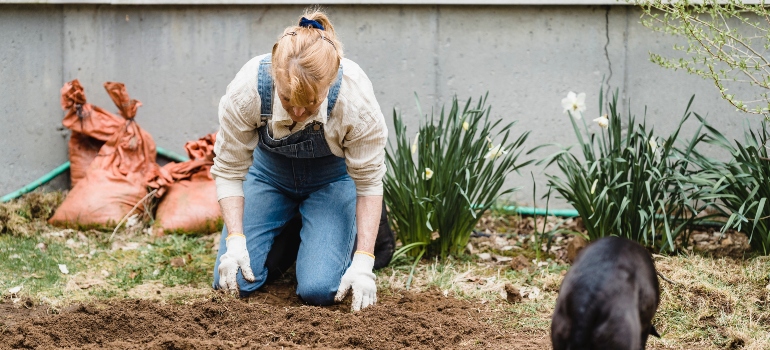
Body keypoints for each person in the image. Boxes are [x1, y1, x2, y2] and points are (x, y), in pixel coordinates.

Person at [210, 9, 388, 312]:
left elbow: (369, 183)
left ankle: (346, 231)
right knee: (234, 282)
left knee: (320, 290)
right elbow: (228, 170)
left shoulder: (355, 100)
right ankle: (295, 228)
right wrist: (236, 241)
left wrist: (364, 261)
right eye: (288, 101)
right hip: (268, 176)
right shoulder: (249, 89)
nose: (297, 114)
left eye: (310, 104)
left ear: (329, 84)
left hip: (331, 181)